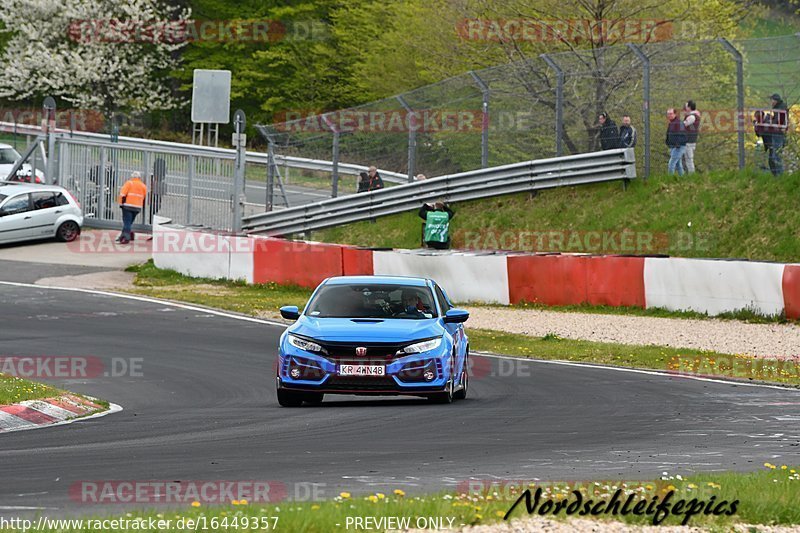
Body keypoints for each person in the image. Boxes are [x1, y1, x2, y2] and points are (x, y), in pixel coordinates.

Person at [117, 171, 147, 244]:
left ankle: (126, 237)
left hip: (127, 206)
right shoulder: (143, 186)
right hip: (137, 207)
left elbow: (122, 194)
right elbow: (144, 197)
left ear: (132, 177)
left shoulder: (129, 183)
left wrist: (121, 203)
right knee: (129, 222)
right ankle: (123, 235)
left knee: (127, 222)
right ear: (139, 178)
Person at [766, 93, 788, 176]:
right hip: (777, 133)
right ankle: (776, 175)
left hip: (778, 134)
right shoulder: (779, 107)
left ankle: (779, 175)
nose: (771, 102)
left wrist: (770, 122)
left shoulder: (780, 108)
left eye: (772, 100)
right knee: (773, 156)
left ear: (775, 100)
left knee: (776, 155)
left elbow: (780, 122)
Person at [665, 108, 687, 176]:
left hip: (678, 146)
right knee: (678, 164)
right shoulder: (671, 123)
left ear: (675, 114)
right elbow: (669, 134)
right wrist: (667, 142)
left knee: (671, 164)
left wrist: (678, 144)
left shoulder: (678, 123)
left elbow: (682, 134)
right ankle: (683, 178)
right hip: (673, 146)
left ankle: (669, 179)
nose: (669, 115)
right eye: (668, 114)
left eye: (671, 114)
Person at [682, 100, 701, 174]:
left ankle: (691, 174)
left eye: (686, 106)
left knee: (689, 159)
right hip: (691, 139)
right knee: (688, 158)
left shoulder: (692, 117)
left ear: (689, 107)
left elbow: (684, 125)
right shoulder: (695, 115)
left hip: (689, 140)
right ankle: (689, 173)